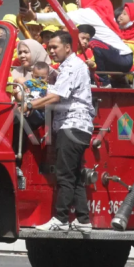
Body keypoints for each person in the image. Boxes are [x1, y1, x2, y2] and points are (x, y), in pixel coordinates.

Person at [30, 31, 95, 233]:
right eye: (48, 47)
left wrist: (29, 105)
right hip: (77, 127)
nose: (51, 51)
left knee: (64, 174)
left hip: (72, 125)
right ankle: (83, 220)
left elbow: (57, 97)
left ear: (68, 47)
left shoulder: (72, 67)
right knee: (74, 175)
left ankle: (60, 219)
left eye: (54, 47)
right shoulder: (69, 67)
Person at [31, 0, 133, 75]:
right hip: (121, 58)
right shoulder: (98, 14)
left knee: (93, 43)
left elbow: (61, 17)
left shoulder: (88, 13)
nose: (76, 1)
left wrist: (35, 16)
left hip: (122, 58)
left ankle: (103, 80)